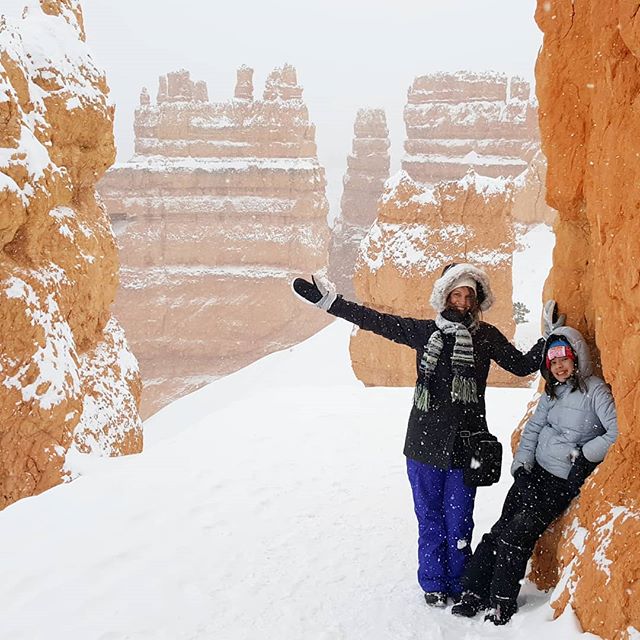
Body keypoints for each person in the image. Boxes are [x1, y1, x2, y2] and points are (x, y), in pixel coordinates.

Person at [292, 263, 553, 606]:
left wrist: (550, 339)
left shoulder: (485, 338)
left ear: (476, 300)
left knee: (459, 521)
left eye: (468, 295)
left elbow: (520, 365)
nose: (462, 301)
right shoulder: (424, 333)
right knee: (430, 518)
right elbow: (375, 321)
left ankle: (460, 584)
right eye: (456, 294)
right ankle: (433, 583)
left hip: (468, 444)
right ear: (445, 296)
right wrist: (330, 302)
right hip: (422, 445)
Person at [451, 326, 618, 625]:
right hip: (534, 474)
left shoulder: (595, 391)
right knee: (501, 528)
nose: (559, 367)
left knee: (518, 534)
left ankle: (501, 600)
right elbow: (533, 432)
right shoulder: (551, 393)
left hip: (561, 480)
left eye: (564, 359)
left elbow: (617, 432)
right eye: (553, 363)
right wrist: (522, 469)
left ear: (576, 357)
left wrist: (583, 455)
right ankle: (473, 591)